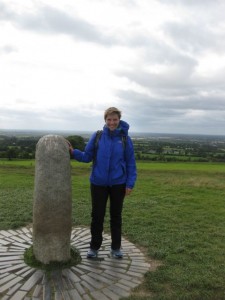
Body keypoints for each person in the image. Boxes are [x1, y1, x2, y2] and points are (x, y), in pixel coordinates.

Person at [68, 107, 137, 259]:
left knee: (116, 216)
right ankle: (94, 247)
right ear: (105, 120)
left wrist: (130, 184)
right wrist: (73, 152)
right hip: (98, 183)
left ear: (119, 120)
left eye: (115, 119)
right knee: (97, 216)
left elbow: (131, 163)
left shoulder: (125, 139)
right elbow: (87, 156)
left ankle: (116, 248)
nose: (112, 122)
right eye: (109, 119)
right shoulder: (98, 136)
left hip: (118, 183)